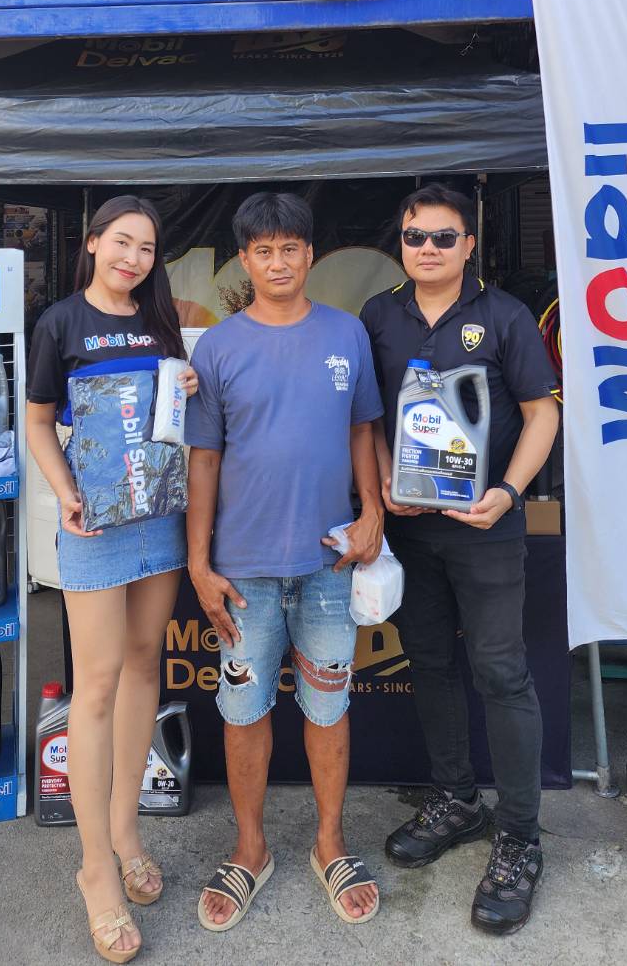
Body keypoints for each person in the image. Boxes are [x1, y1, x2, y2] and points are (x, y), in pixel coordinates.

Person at [359, 183, 559, 937]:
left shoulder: (504, 316)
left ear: (469, 245)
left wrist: (509, 491)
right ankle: (456, 799)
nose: (429, 249)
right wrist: (383, 477)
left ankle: (520, 837)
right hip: (413, 529)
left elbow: (542, 414)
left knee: (501, 672)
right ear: (401, 243)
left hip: (486, 527)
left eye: (444, 237)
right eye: (416, 236)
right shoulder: (379, 315)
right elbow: (369, 416)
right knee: (431, 662)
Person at [185, 191, 385, 932]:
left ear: (309, 254)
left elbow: (363, 429)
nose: (278, 262)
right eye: (263, 250)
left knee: (328, 707)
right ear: (245, 259)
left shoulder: (346, 334)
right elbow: (204, 461)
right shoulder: (218, 347)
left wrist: (372, 510)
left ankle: (330, 842)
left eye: (290, 248)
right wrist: (199, 563)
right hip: (242, 571)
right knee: (244, 711)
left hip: (328, 562)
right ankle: (251, 847)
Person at [26, 195, 198, 965]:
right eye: (122, 242)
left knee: (142, 667)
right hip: (93, 522)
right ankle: (96, 868)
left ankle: (126, 834)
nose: (134, 257)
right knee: (94, 685)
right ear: (93, 242)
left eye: (147, 247)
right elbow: (38, 420)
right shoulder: (60, 322)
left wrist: (183, 387)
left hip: (157, 516)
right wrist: (64, 491)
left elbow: (168, 414)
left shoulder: (160, 322)